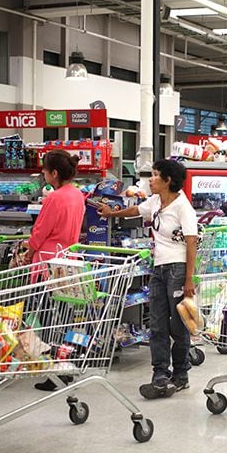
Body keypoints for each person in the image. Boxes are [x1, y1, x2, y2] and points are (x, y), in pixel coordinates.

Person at [99, 160, 198, 398]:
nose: (150, 180)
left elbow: (192, 241)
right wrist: (113, 213)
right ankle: (160, 373)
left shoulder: (183, 207)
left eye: (155, 176)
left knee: (178, 325)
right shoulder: (155, 201)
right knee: (157, 324)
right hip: (159, 270)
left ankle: (181, 373)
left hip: (177, 268)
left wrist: (188, 279)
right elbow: (136, 210)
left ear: (168, 181)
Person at [27, 150, 86, 392]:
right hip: (67, 262)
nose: (43, 174)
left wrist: (27, 253)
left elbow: (39, 233)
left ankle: (53, 371)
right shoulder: (77, 195)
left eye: (44, 170)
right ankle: (64, 363)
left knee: (45, 317)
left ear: (54, 173)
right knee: (61, 316)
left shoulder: (54, 198)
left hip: (46, 264)